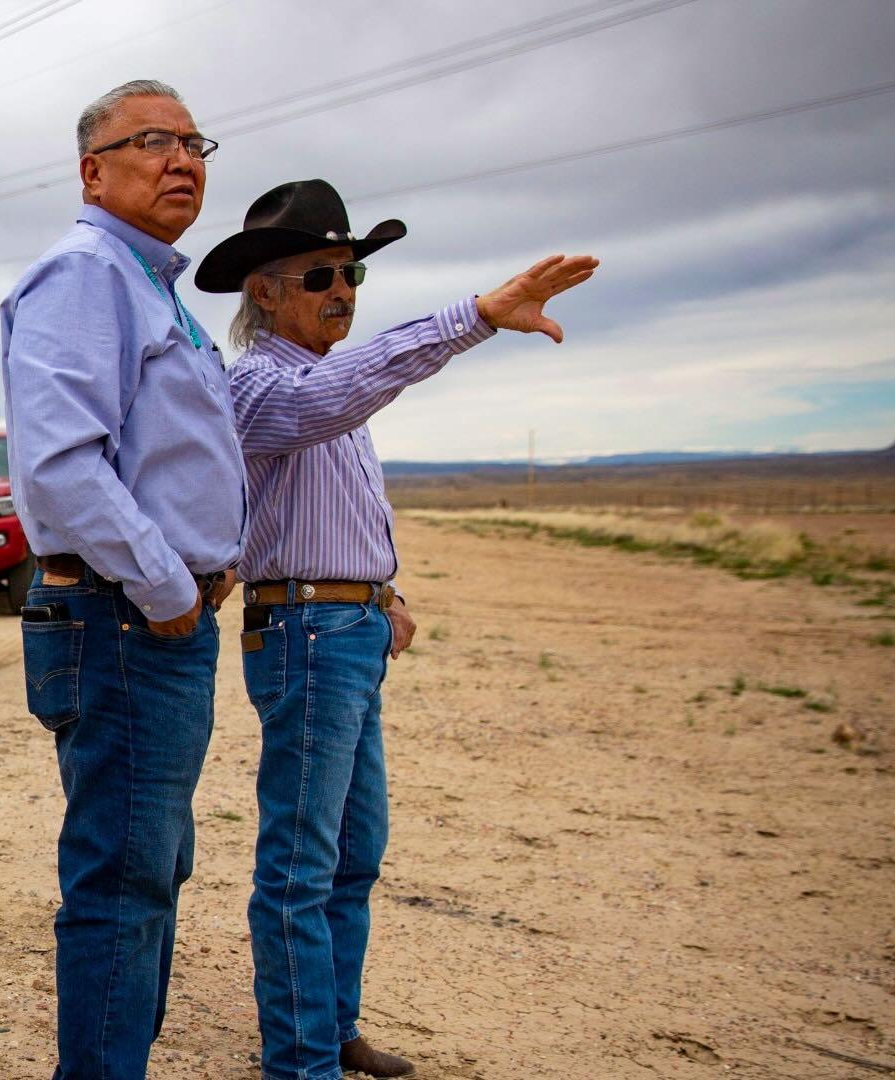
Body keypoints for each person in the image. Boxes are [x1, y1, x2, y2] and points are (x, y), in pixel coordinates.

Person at [197, 178, 597, 1080]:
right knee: (302, 860)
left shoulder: (319, 383)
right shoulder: (263, 383)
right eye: (320, 276)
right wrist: (477, 315)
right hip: (305, 633)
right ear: (263, 292)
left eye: (351, 274)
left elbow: (331, 501)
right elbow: (346, 391)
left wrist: (385, 592)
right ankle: (300, 1061)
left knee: (352, 853)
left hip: (346, 628)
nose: (341, 289)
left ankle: (330, 1030)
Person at [0, 79, 243, 1077]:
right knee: (123, 876)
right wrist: (171, 590)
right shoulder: (86, 273)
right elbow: (61, 463)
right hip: (128, 622)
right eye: (153, 141)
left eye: (194, 143)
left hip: (147, 622)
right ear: (93, 169)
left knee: (152, 866)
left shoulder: (150, 288)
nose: (181, 160)